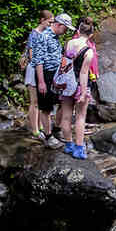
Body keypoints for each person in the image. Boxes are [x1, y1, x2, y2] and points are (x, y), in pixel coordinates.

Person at [54, 18, 96, 159]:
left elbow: (64, 62)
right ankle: (78, 149)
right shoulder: (88, 51)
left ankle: (68, 145)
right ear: (91, 35)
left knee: (66, 116)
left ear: (78, 31)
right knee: (80, 117)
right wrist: (83, 92)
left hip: (66, 84)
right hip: (79, 86)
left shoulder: (69, 43)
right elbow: (84, 73)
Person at [31, 13, 73, 148]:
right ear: (59, 25)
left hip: (57, 75)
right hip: (45, 74)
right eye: (65, 28)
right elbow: (38, 61)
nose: (65, 31)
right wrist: (42, 81)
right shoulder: (43, 36)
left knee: (62, 102)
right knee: (46, 107)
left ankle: (56, 129)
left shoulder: (56, 38)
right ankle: (48, 136)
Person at [21, 10, 55, 143]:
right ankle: (35, 130)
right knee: (34, 102)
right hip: (33, 69)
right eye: (49, 22)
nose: (51, 24)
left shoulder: (46, 34)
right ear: (42, 20)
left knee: (40, 102)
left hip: (41, 70)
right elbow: (31, 55)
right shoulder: (34, 34)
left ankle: (40, 126)